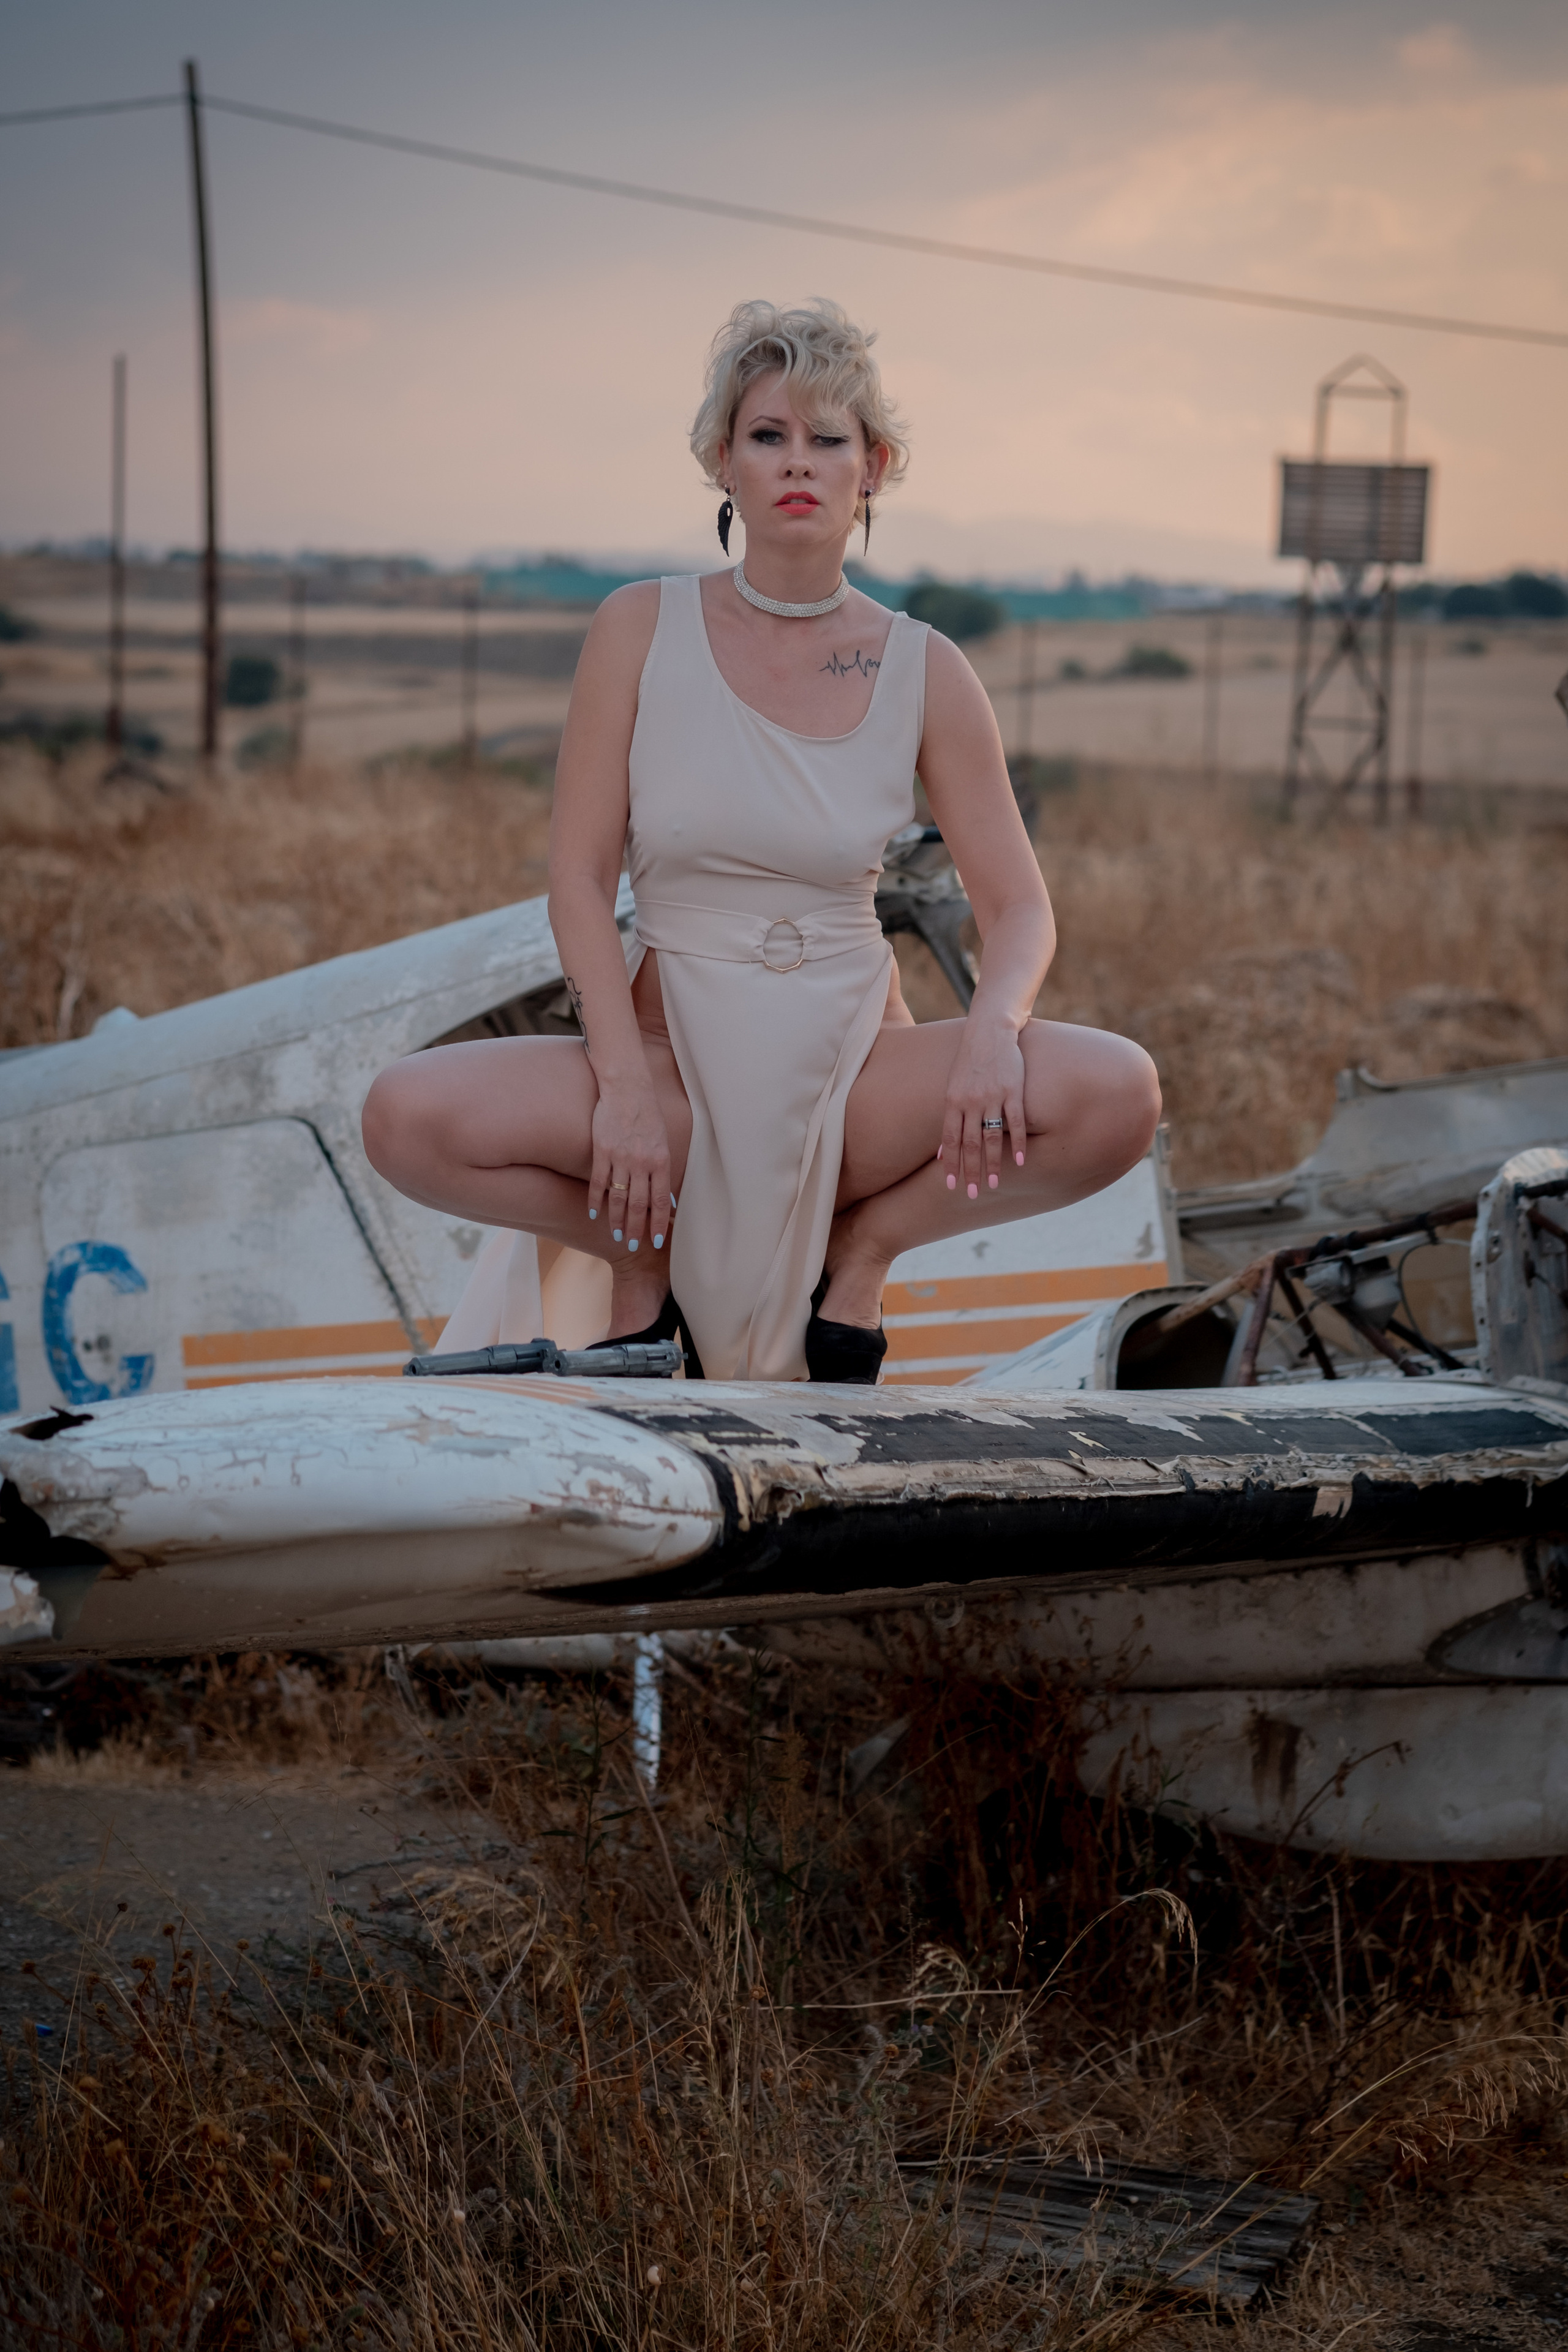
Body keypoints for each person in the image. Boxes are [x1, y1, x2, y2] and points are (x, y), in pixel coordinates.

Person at [362, 298, 1159, 1383]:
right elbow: (578, 881)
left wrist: (992, 1030)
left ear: (873, 468)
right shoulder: (637, 627)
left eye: (829, 439)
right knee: (404, 1116)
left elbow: (1020, 908)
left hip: (851, 1074)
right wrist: (622, 1094)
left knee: (1119, 1091)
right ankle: (641, 1256)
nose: (798, 463)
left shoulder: (926, 667)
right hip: (669, 1066)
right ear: (722, 462)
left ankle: (860, 1250)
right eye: (768, 435)